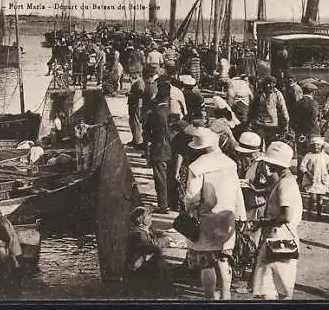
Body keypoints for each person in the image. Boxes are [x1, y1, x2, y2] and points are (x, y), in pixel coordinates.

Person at [184, 127, 247, 300]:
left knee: (206, 262)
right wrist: (241, 214)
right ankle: (226, 295)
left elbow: (193, 197)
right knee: (223, 258)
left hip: (206, 218)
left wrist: (189, 208)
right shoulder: (229, 163)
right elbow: (237, 192)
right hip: (227, 218)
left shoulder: (197, 166)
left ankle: (210, 297)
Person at [251, 141, 303, 300]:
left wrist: (263, 222)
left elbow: (286, 216)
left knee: (280, 287)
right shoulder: (284, 180)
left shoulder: (286, 184)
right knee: (267, 286)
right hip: (276, 237)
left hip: (280, 238)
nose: (266, 166)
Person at [124, 206, 174, 297]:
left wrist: (162, 233)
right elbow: (154, 247)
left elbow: (152, 233)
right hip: (141, 271)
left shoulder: (143, 230)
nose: (150, 217)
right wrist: (166, 240)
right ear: (140, 219)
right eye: (148, 215)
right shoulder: (138, 235)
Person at [143, 81, 172, 214]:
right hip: (172, 146)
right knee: (170, 176)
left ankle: (163, 204)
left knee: (160, 177)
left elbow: (148, 132)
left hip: (159, 147)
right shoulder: (172, 109)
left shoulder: (156, 112)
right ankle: (172, 202)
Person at [249, 76, 290, 151]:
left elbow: (283, 108)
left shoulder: (277, 94)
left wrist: (286, 120)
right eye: (266, 84)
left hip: (272, 123)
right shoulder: (258, 93)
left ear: (273, 84)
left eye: (270, 83)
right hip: (259, 122)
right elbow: (253, 107)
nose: (268, 86)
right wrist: (251, 120)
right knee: (258, 143)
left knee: (270, 144)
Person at [0, 209, 22, 297]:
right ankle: (12, 291)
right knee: (10, 272)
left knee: (7, 272)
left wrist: (12, 255)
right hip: (11, 251)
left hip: (7, 252)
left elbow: (8, 239)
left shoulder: (1, 223)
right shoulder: (3, 221)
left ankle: (9, 293)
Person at [299, 136, 329, 218]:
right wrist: (308, 173)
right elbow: (302, 166)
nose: (316, 147)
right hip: (312, 180)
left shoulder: (325, 156)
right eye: (313, 145)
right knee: (313, 198)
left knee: (320, 198)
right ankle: (310, 212)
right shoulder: (308, 155)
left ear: (322, 146)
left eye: (318, 145)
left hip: (322, 180)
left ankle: (319, 213)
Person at [291, 83, 320, 163]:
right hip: (312, 132)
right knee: (313, 154)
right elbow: (314, 119)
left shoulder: (297, 103)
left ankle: (300, 173)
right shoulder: (313, 103)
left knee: (301, 153)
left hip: (300, 132)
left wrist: (298, 130)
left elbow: (292, 120)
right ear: (313, 92)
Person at [127, 72, 145, 149]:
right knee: (132, 122)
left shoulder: (140, 82)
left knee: (136, 123)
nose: (131, 75)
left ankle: (138, 142)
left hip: (136, 105)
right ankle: (134, 139)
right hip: (132, 104)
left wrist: (130, 94)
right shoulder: (135, 81)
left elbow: (140, 94)